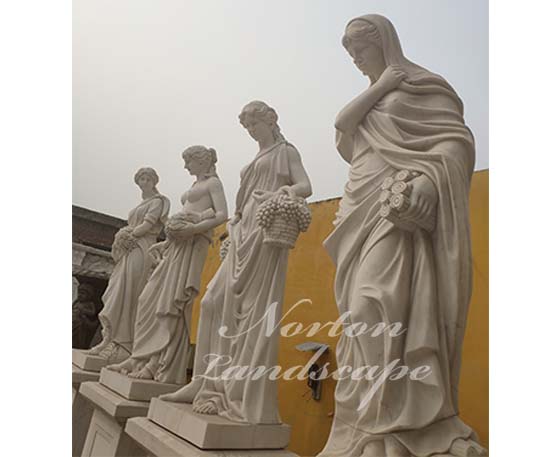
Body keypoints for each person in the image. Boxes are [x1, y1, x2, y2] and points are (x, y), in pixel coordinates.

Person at [318, 14, 484, 457]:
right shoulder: (374, 94)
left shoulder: (424, 86)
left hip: (397, 203)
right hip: (359, 206)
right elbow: (343, 132)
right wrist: (380, 86)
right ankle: (369, 430)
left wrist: (428, 181)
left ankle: (401, 426)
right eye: (350, 52)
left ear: (385, 42)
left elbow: (456, 142)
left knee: (374, 304)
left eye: (361, 48)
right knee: (357, 319)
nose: (356, 58)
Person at [161, 101, 312, 425]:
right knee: (213, 302)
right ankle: (203, 381)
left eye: (254, 124)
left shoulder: (286, 152)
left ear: (270, 120)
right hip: (242, 233)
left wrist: (277, 194)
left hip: (265, 231)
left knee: (251, 310)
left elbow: (305, 186)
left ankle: (235, 390)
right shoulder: (256, 158)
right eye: (247, 127)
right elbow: (240, 204)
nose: (251, 131)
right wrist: (236, 221)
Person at [108, 146, 227, 384]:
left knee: (172, 303)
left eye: (188, 162)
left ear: (201, 161)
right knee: (148, 299)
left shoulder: (213, 183)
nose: (185, 166)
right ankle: (140, 357)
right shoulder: (195, 185)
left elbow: (222, 214)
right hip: (177, 244)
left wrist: (192, 229)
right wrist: (166, 242)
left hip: (193, 244)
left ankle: (158, 364)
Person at [87, 167, 170, 364]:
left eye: (148, 178)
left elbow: (148, 225)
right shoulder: (141, 203)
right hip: (128, 248)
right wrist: (122, 238)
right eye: (141, 178)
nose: (144, 182)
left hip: (141, 248)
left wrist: (125, 234)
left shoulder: (158, 201)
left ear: (154, 181)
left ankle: (124, 344)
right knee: (115, 291)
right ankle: (109, 339)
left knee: (129, 292)